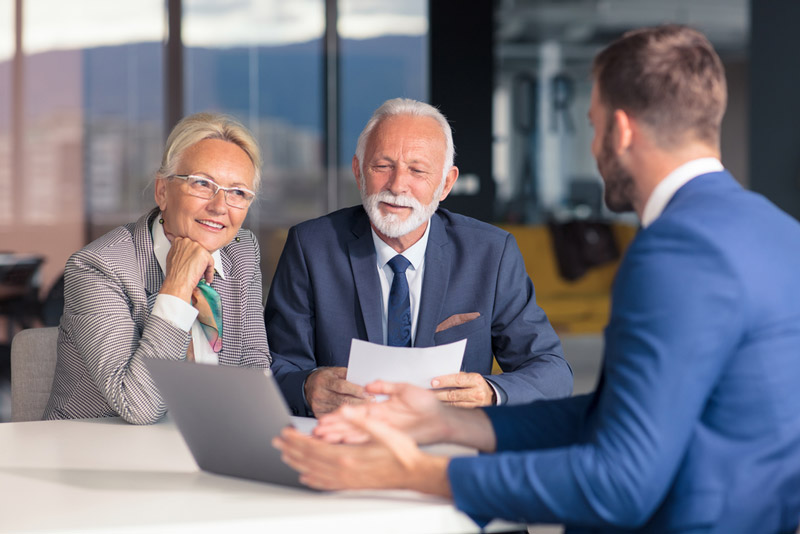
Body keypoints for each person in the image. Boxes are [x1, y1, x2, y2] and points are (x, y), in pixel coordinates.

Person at [274, 25, 800, 533]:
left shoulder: (675, 250)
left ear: (619, 131)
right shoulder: (779, 232)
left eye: (592, 126)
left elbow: (621, 481)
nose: (593, 148)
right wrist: (452, 425)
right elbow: (619, 415)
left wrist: (417, 473)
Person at [265, 98, 572, 417]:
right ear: (358, 172)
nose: (398, 186)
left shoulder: (490, 253)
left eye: (418, 170)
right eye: (383, 166)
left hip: (449, 447)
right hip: (345, 441)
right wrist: (307, 387)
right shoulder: (311, 246)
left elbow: (552, 373)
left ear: (446, 184)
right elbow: (276, 365)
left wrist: (491, 393)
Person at [44, 112, 271, 425]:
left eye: (237, 192)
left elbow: (254, 364)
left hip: (203, 445)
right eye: (203, 184)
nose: (220, 206)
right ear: (162, 191)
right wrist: (177, 287)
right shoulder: (98, 267)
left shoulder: (241, 251)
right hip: (96, 453)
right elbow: (140, 406)